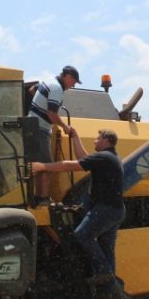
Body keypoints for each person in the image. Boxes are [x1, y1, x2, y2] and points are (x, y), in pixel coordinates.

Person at [31, 127, 125, 280]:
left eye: (97, 138)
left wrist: (43, 166)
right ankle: (110, 283)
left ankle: (104, 272)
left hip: (105, 209)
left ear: (105, 140)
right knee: (106, 247)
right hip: (115, 210)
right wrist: (75, 137)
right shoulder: (109, 157)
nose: (95, 140)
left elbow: (71, 166)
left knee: (82, 235)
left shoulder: (104, 157)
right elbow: (83, 158)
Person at [28, 65, 80, 204]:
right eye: (74, 81)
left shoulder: (48, 81)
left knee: (40, 165)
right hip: (40, 129)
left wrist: (40, 102)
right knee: (47, 166)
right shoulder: (57, 89)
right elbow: (52, 114)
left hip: (33, 127)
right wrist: (65, 127)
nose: (73, 85)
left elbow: (32, 90)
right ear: (67, 76)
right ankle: (42, 199)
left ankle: (39, 197)